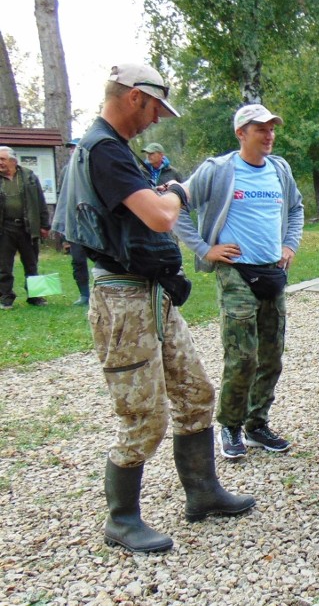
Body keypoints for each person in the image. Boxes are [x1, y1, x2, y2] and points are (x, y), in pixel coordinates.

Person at [52, 63, 255, 553]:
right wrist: (181, 191)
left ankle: (203, 494)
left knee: (196, 393)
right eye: (156, 109)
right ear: (135, 98)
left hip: (150, 294)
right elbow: (162, 217)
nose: (155, 121)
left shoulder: (114, 150)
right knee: (142, 416)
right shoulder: (104, 151)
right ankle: (121, 519)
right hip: (122, 302)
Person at [175, 103, 304, 460]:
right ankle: (230, 426)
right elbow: (176, 206)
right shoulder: (218, 170)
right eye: (260, 128)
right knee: (242, 356)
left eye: (272, 128)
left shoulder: (280, 169)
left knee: (271, 355)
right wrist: (204, 249)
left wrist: (290, 243)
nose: (269, 135)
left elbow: (296, 208)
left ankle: (257, 424)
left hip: (273, 271)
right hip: (236, 272)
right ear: (241, 133)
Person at [0, 146, 51, 309]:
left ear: (13, 161)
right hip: (4, 228)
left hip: (27, 227)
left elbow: (40, 201)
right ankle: (5, 298)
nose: (0, 163)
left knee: (32, 264)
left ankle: (35, 296)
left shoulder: (28, 176)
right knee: (4, 266)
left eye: (2, 159)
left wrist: (44, 225)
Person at [57, 139, 91, 306]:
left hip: (93, 223)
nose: (72, 151)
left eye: (74, 148)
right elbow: (62, 199)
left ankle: (104, 293)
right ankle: (84, 294)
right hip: (74, 224)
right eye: (70, 148)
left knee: (103, 261)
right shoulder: (65, 171)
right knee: (77, 260)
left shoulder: (91, 167)